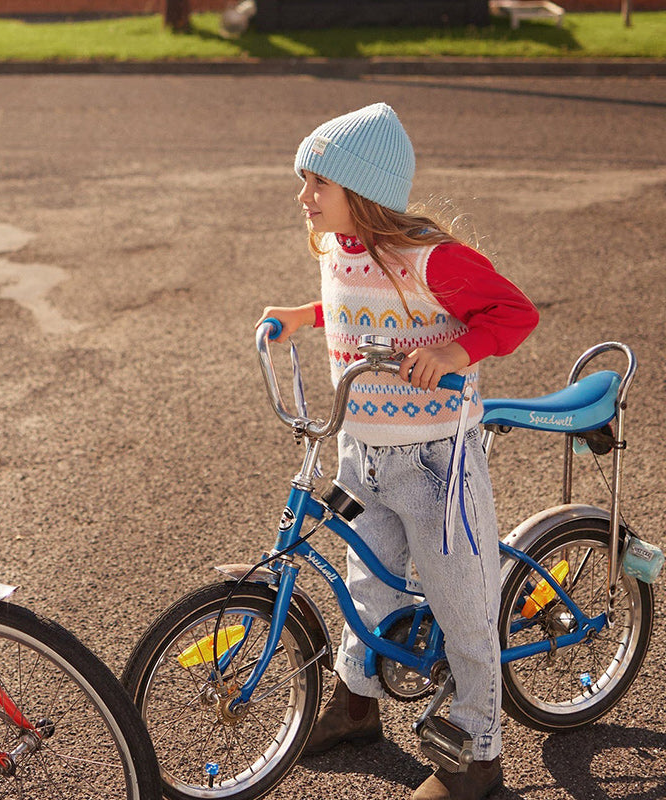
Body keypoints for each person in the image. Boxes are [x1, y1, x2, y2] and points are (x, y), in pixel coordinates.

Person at [256, 103, 539, 800]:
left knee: (460, 606)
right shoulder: (339, 250)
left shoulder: (433, 260)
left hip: (434, 463)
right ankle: (358, 703)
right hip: (363, 453)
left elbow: (514, 313)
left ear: (363, 191)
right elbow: (353, 301)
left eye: (317, 183)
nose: (304, 198)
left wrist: (454, 349)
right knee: (367, 582)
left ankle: (477, 756)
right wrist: (305, 316)